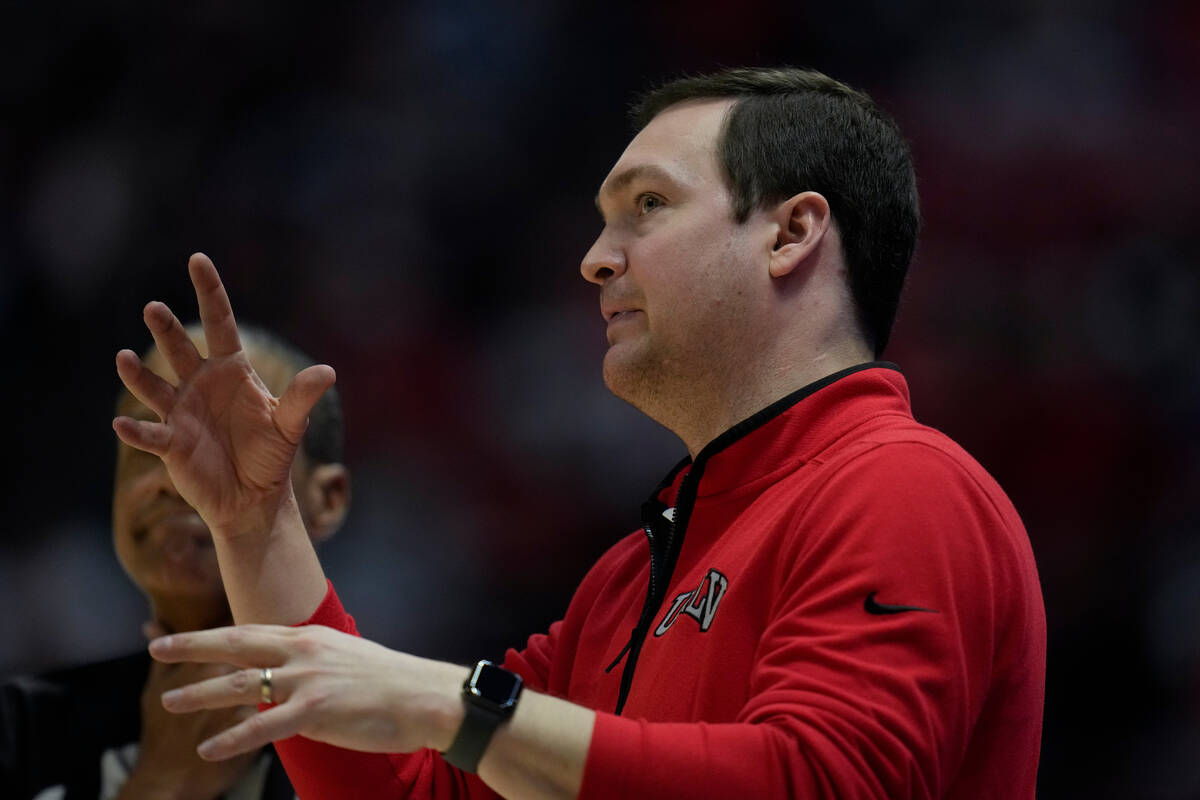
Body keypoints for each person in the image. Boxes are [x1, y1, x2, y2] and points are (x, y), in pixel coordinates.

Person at [112, 67, 1046, 799]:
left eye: (648, 206)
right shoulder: (626, 581)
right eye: (603, 222)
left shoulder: (904, 487)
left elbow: (821, 784)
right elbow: (409, 792)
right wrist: (256, 526)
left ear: (791, 232)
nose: (596, 260)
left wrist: (458, 705)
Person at [1, 325, 349, 799]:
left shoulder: (406, 726)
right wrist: (160, 785)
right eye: (147, 444)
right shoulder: (20, 728)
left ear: (328, 499)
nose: (177, 476)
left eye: (231, 442)